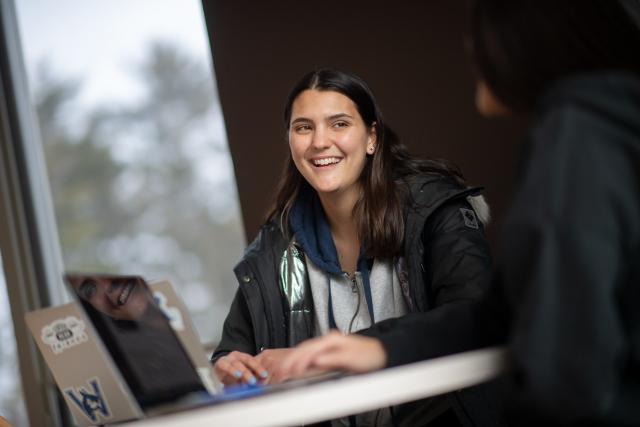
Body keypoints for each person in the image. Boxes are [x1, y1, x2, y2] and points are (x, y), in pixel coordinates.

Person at [277, 1, 640, 425]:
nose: (470, 49)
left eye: (339, 124)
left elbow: (565, 369)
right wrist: (383, 346)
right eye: (304, 127)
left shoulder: (574, 137)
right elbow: (501, 316)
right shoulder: (602, 128)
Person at [211, 69, 500, 425]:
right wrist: (230, 365)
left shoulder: (436, 211)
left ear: (371, 137)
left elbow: (475, 319)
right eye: (304, 127)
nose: (319, 142)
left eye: (339, 124)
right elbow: (233, 350)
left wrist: (360, 348)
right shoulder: (275, 247)